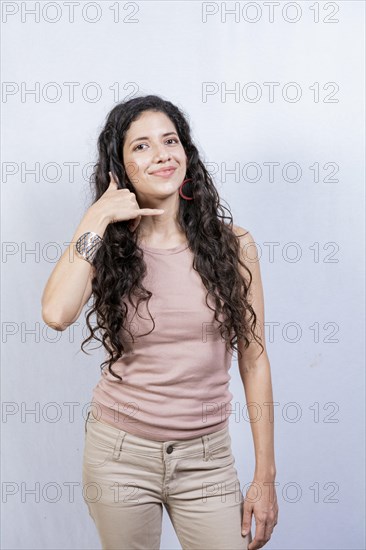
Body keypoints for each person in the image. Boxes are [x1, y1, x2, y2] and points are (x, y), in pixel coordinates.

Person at [41, 94, 278, 550]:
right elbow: (55, 313)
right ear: (120, 167)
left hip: (206, 459)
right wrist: (98, 216)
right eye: (141, 146)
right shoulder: (106, 246)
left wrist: (264, 476)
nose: (161, 154)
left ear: (186, 152)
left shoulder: (235, 245)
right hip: (120, 455)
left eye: (170, 140)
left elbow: (255, 360)